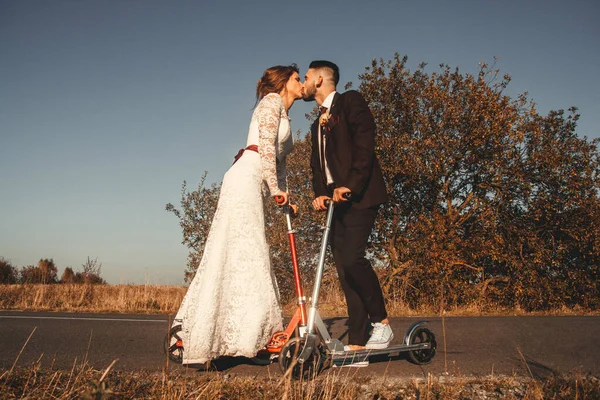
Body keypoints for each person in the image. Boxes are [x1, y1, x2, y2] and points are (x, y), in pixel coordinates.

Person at [174, 64, 304, 365]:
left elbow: (278, 161)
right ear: (285, 82)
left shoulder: (283, 111)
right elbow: (266, 150)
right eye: (297, 78)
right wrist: (275, 189)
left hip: (254, 179)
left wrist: (284, 197)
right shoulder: (271, 103)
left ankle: (246, 335)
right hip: (245, 178)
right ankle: (200, 333)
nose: (301, 83)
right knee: (246, 251)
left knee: (245, 254)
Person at [303, 60, 392, 357]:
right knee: (344, 271)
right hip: (335, 206)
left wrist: (349, 185)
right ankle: (357, 342)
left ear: (319, 79)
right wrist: (319, 194)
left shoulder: (350, 101)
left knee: (354, 259)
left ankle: (382, 322)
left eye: (305, 77)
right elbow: (318, 166)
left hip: (360, 196)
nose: (303, 82)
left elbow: (365, 144)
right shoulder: (317, 123)